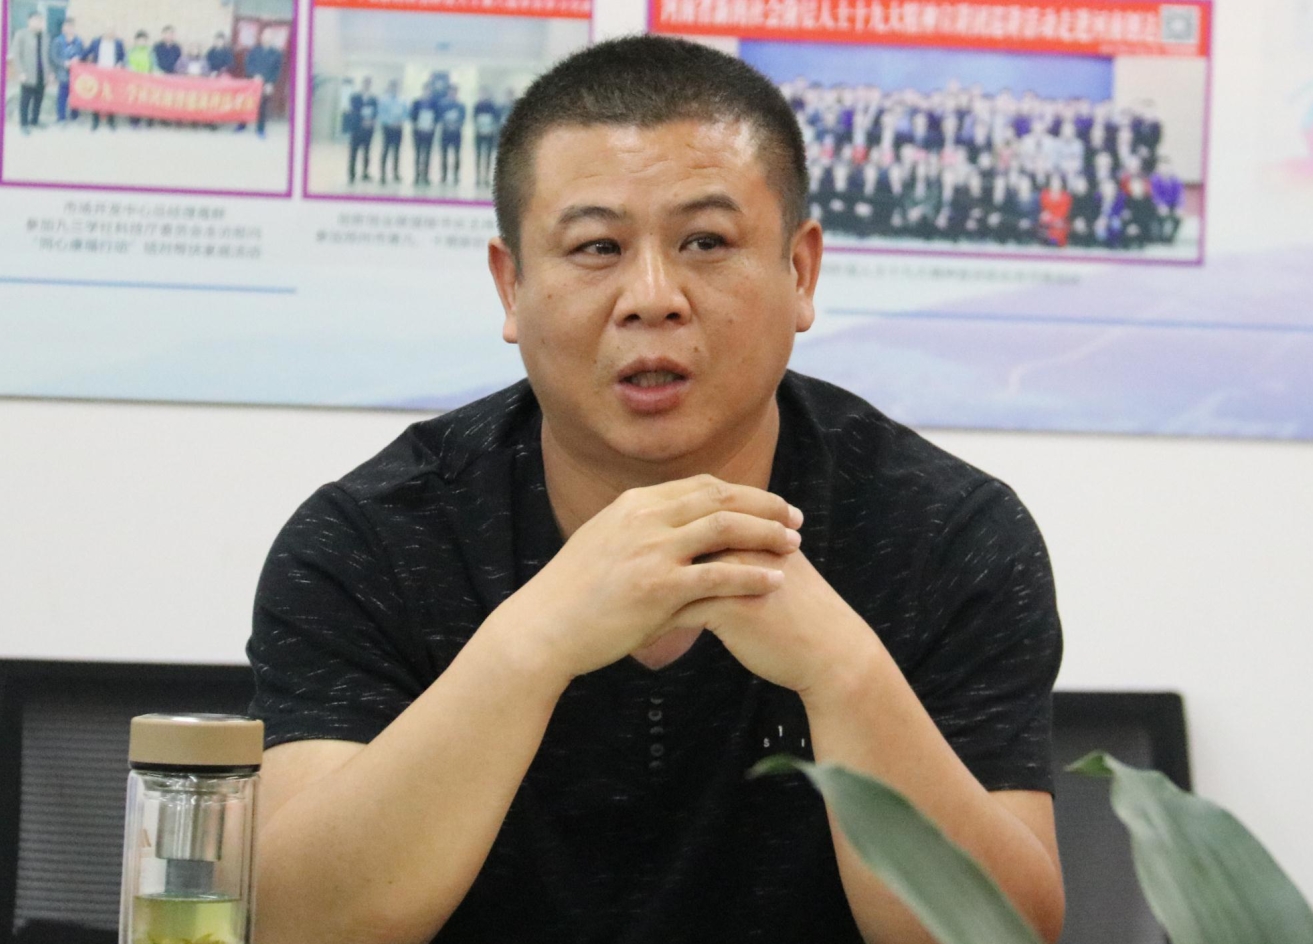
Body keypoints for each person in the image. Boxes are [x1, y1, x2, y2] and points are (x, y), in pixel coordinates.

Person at [248, 36, 1064, 944]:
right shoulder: (369, 541)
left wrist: (843, 672)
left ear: (800, 272)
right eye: (596, 247)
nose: (652, 297)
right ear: (511, 286)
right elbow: (295, 924)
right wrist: (533, 641)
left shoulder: (948, 535)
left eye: (705, 242)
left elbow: (1005, 936)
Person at [10, 12, 47, 135]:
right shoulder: (21, 34)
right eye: (35, 20)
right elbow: (16, 55)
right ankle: (24, 124)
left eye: (40, 20)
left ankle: (35, 120)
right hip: (27, 74)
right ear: (29, 21)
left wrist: (50, 73)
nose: (38, 23)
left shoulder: (45, 36)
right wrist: (20, 72)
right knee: (25, 100)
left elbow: (46, 56)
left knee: (38, 99)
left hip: (41, 74)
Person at [242, 28, 283, 138]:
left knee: (263, 106)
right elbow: (248, 64)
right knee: (247, 103)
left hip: (266, 83)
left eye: (269, 36)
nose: (266, 38)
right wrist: (254, 75)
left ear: (272, 38)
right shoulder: (254, 50)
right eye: (264, 35)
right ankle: (242, 124)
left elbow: (277, 70)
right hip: (253, 82)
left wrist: (271, 83)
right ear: (261, 37)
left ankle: (260, 129)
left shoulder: (276, 53)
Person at [83, 28, 125, 131]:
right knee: (96, 96)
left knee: (112, 97)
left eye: (113, 32)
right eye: (109, 31)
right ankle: (95, 121)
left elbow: (123, 57)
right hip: (98, 74)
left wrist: (120, 63)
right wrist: (77, 60)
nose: (111, 34)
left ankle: (111, 121)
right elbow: (86, 53)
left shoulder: (118, 43)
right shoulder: (96, 42)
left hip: (112, 74)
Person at [49, 16, 84, 125]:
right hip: (63, 73)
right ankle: (61, 118)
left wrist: (78, 58)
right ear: (63, 28)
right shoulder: (58, 41)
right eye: (67, 26)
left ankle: (75, 116)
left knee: (76, 94)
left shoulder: (78, 41)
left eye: (71, 26)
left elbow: (83, 54)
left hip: (76, 74)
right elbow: (53, 57)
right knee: (62, 96)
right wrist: (64, 63)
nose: (69, 29)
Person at [346, 76, 378, 183]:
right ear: (362, 84)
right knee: (353, 152)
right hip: (357, 129)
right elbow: (353, 111)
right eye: (365, 83)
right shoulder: (355, 97)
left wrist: (371, 121)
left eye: (369, 83)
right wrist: (362, 121)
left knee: (367, 152)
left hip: (368, 129)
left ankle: (365, 173)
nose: (367, 85)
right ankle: (351, 174)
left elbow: (375, 112)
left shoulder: (373, 98)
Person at [411, 79, 441, 186]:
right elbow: (412, 116)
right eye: (425, 90)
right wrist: (417, 124)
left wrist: (432, 125)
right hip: (418, 132)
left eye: (429, 90)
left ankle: (426, 176)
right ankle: (417, 176)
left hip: (429, 132)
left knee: (428, 155)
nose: (427, 92)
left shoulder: (434, 103)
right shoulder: (416, 102)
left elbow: (437, 117)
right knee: (418, 154)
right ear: (422, 90)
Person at [377, 79, 406, 185]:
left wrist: (400, 121)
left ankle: (395, 173)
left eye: (396, 87)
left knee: (397, 151)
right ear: (389, 88)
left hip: (398, 128)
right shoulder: (384, 100)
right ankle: (383, 174)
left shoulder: (402, 100)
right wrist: (390, 122)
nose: (394, 89)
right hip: (387, 128)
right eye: (392, 87)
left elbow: (406, 113)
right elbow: (381, 114)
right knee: (385, 150)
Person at [125, 30, 156, 128]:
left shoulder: (150, 52)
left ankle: (149, 121)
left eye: (144, 40)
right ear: (136, 41)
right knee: (134, 101)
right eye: (140, 40)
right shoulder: (130, 51)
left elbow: (154, 65)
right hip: (133, 80)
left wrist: (157, 72)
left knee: (147, 100)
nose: (142, 42)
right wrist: (128, 67)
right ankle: (134, 121)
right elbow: (126, 63)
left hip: (147, 80)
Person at [438, 84, 467, 185]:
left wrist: (456, 125)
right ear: (448, 92)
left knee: (457, 155)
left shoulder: (460, 105)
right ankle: (444, 175)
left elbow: (463, 118)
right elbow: (439, 117)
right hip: (445, 133)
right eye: (451, 91)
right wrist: (447, 125)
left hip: (456, 133)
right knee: (444, 155)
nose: (452, 93)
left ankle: (456, 175)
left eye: (454, 92)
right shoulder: (442, 105)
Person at [473, 85, 499, 188]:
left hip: (489, 134)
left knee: (488, 156)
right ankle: (478, 177)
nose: (483, 95)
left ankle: (486, 177)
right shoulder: (477, 106)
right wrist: (479, 127)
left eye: (485, 93)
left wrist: (491, 128)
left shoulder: (492, 106)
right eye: (481, 93)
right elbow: (474, 119)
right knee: (478, 156)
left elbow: (495, 120)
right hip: (479, 134)